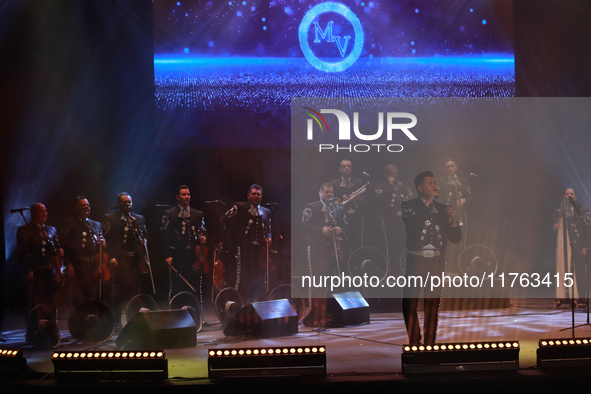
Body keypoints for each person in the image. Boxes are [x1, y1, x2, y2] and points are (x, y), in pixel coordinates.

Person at [401, 171, 461, 345]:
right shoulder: (409, 205)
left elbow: (455, 239)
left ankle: (429, 343)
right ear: (420, 188)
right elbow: (414, 226)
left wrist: (454, 221)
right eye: (429, 183)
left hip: (436, 261)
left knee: (432, 304)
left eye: (435, 182)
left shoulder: (443, 208)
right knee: (409, 303)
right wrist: (428, 203)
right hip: (416, 261)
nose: (434, 185)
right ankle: (414, 341)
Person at [302, 182, 348, 328]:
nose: (329, 195)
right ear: (320, 193)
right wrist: (321, 230)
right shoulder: (312, 206)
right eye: (326, 192)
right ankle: (315, 317)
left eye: (331, 192)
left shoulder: (339, 208)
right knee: (319, 283)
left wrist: (341, 229)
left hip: (336, 250)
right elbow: (304, 226)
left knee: (332, 283)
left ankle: (327, 316)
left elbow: (347, 225)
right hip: (318, 249)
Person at [17, 203, 64, 343]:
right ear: (33, 214)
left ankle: (52, 332)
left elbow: (57, 251)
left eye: (46, 211)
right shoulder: (25, 230)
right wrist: (29, 270)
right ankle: (33, 333)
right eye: (41, 212)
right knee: (35, 304)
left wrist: (59, 270)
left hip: (50, 271)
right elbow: (22, 253)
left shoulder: (52, 229)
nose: (45, 214)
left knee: (52, 303)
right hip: (36, 270)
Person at [102, 192, 148, 327]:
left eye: (129, 202)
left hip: (135, 259)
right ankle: (116, 323)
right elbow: (107, 239)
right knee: (119, 292)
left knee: (135, 291)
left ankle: (134, 321)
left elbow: (145, 236)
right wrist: (111, 257)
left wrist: (143, 245)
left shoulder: (138, 218)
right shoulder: (110, 218)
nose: (128, 205)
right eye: (124, 203)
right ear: (118, 204)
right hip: (120, 260)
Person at [223, 184, 272, 304]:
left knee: (259, 276)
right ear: (248, 195)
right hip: (243, 248)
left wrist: (269, 237)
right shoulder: (239, 207)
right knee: (242, 276)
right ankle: (239, 303)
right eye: (253, 194)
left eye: (258, 194)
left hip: (259, 250)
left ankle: (256, 303)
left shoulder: (266, 211)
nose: (256, 196)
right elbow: (224, 219)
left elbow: (269, 228)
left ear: (261, 196)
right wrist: (235, 235)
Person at [160, 185, 207, 301]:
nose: (187, 197)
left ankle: (196, 313)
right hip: (176, 254)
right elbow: (163, 236)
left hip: (193, 254)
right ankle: (175, 312)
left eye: (188, 194)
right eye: (184, 194)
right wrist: (167, 255)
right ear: (177, 197)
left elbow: (203, 230)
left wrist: (204, 238)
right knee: (176, 285)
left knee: (195, 284)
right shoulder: (169, 213)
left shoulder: (198, 214)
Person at [59, 197, 106, 308]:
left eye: (88, 205)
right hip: (78, 264)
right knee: (79, 295)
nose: (86, 208)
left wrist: (104, 244)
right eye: (83, 205)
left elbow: (103, 242)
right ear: (76, 208)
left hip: (94, 264)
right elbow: (63, 245)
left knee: (93, 293)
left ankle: (92, 316)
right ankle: (78, 319)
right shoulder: (69, 223)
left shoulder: (96, 224)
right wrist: (68, 264)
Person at [553, 188, 591, 307]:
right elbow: (556, 228)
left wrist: (586, 246)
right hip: (566, 247)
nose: (569, 195)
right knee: (565, 271)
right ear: (564, 197)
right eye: (567, 194)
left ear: (575, 197)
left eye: (571, 194)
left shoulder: (582, 210)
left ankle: (582, 298)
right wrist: (555, 227)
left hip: (579, 246)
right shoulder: (559, 211)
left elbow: (588, 229)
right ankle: (566, 298)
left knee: (580, 272)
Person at [374, 164, 414, 271]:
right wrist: (390, 186)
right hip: (388, 219)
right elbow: (379, 200)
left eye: (396, 173)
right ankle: (390, 269)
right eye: (392, 173)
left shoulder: (404, 185)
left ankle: (403, 267)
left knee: (403, 243)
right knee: (390, 245)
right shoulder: (381, 186)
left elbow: (410, 199)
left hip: (403, 220)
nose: (394, 175)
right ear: (386, 174)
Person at [330, 159, 367, 251]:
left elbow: (366, 201)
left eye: (349, 166)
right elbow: (330, 200)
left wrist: (360, 198)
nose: (346, 168)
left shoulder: (359, 182)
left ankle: (357, 262)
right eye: (344, 166)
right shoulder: (333, 183)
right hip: (341, 217)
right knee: (343, 243)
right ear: (340, 169)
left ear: (352, 169)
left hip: (357, 217)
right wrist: (335, 202)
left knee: (358, 242)